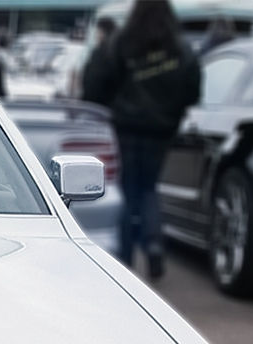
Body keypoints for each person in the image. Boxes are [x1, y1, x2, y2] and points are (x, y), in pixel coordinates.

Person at [82, 0, 200, 280]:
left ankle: (124, 257)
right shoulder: (180, 49)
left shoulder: (120, 42)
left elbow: (95, 81)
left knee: (125, 189)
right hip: (161, 131)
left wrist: (104, 108)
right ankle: (154, 244)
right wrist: (171, 114)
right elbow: (193, 90)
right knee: (148, 188)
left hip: (123, 127)